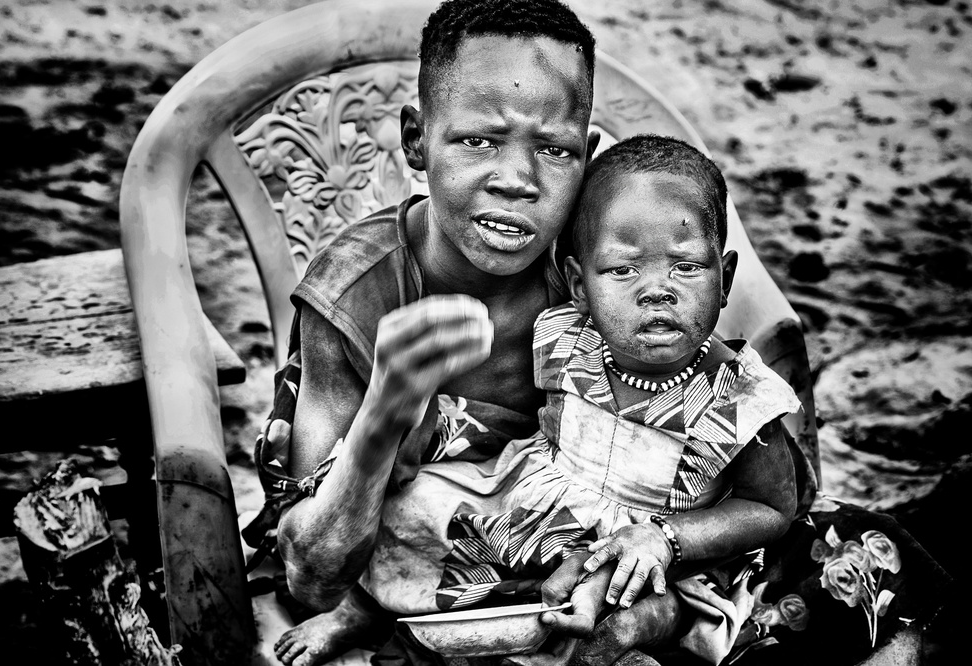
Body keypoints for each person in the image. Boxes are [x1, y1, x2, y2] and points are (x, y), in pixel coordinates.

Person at [245, 1, 813, 665]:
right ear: (414, 139)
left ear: (587, 157)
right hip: (426, 552)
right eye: (476, 140)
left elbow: (728, 305)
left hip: (621, 543)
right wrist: (384, 415)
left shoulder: (602, 260)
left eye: (554, 150)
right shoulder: (355, 293)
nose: (516, 180)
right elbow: (311, 579)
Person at [362, 134, 801, 666]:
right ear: (579, 284)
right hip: (539, 511)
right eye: (622, 270)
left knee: (639, 610)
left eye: (686, 267)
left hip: (658, 555)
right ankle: (361, 610)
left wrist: (666, 538)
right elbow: (536, 426)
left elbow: (773, 506)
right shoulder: (567, 341)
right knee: (418, 505)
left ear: (725, 278)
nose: (657, 290)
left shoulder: (741, 399)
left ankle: (598, 642)